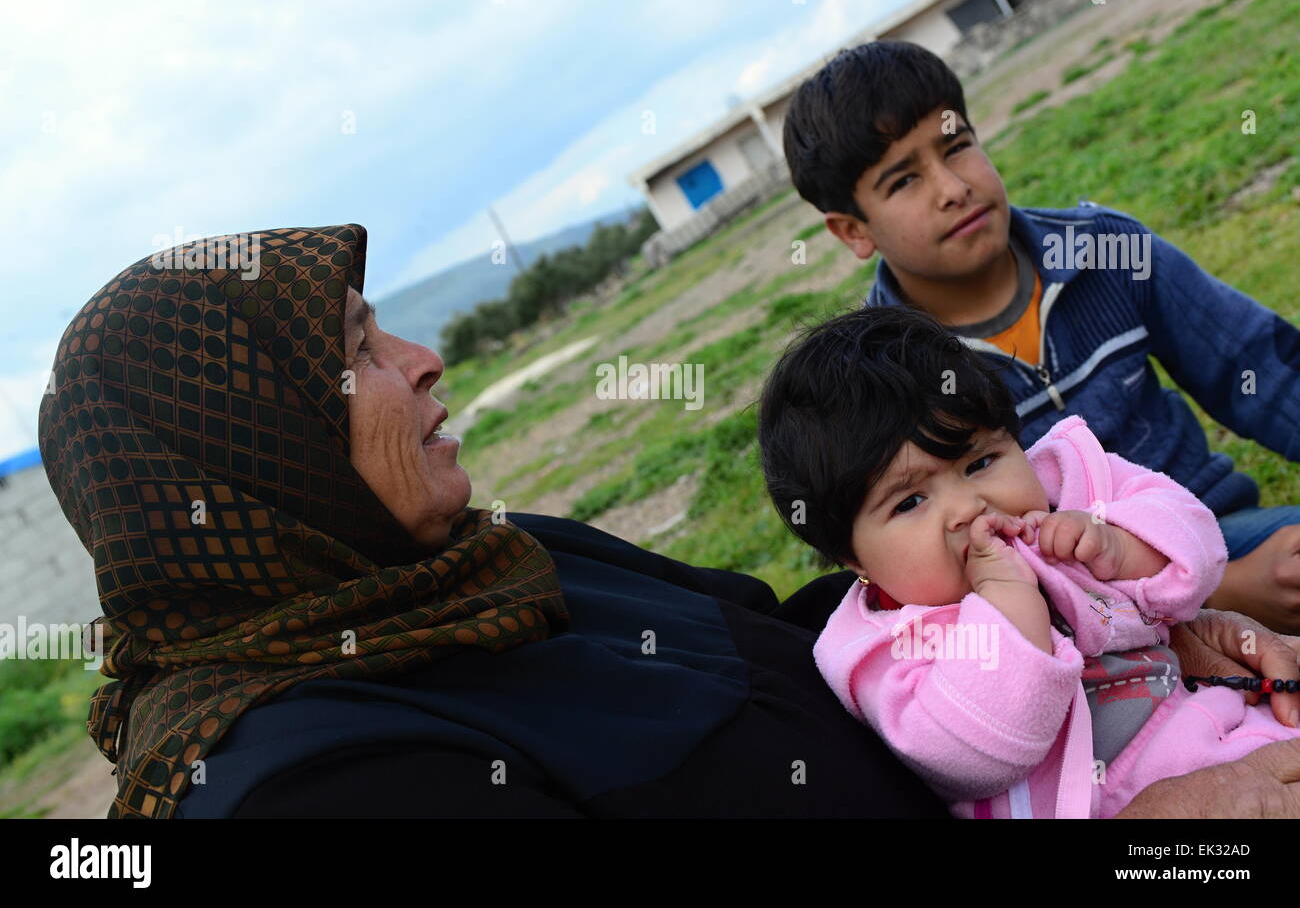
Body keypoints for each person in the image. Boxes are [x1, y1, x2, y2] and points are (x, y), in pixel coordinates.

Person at [36, 223, 1300, 818]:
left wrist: (1134, 631)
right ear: (257, 455)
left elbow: (790, 632)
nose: (424, 361)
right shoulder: (316, 788)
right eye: (360, 352)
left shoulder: (492, 564)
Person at [781, 40, 1300, 634]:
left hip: (1211, 526)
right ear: (852, 230)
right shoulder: (882, 378)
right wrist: (1227, 592)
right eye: (904, 181)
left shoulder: (1105, 249)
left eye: (957, 147)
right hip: (1059, 617)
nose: (952, 187)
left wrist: (1218, 568)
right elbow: (954, 582)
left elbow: (1261, 369)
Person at [756, 305, 1300, 818]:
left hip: (1236, 720)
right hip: (1134, 801)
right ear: (853, 559)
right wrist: (1007, 603)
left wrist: (1120, 544)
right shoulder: (885, 646)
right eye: (910, 502)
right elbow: (971, 754)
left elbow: (1197, 543)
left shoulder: (1066, 493)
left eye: (981, 462)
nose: (969, 507)